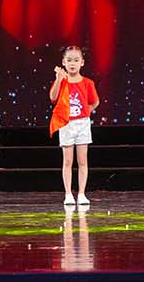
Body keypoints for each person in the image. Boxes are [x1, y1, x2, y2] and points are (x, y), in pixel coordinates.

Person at [49, 45, 100, 206]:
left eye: (76, 60)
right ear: (63, 62)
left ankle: (82, 194)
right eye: (69, 60)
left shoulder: (87, 83)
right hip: (66, 123)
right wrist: (58, 79)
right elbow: (53, 98)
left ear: (82, 63)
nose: (72, 63)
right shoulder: (62, 81)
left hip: (82, 123)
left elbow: (95, 101)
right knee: (67, 161)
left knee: (82, 160)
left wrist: (86, 111)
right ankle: (68, 194)